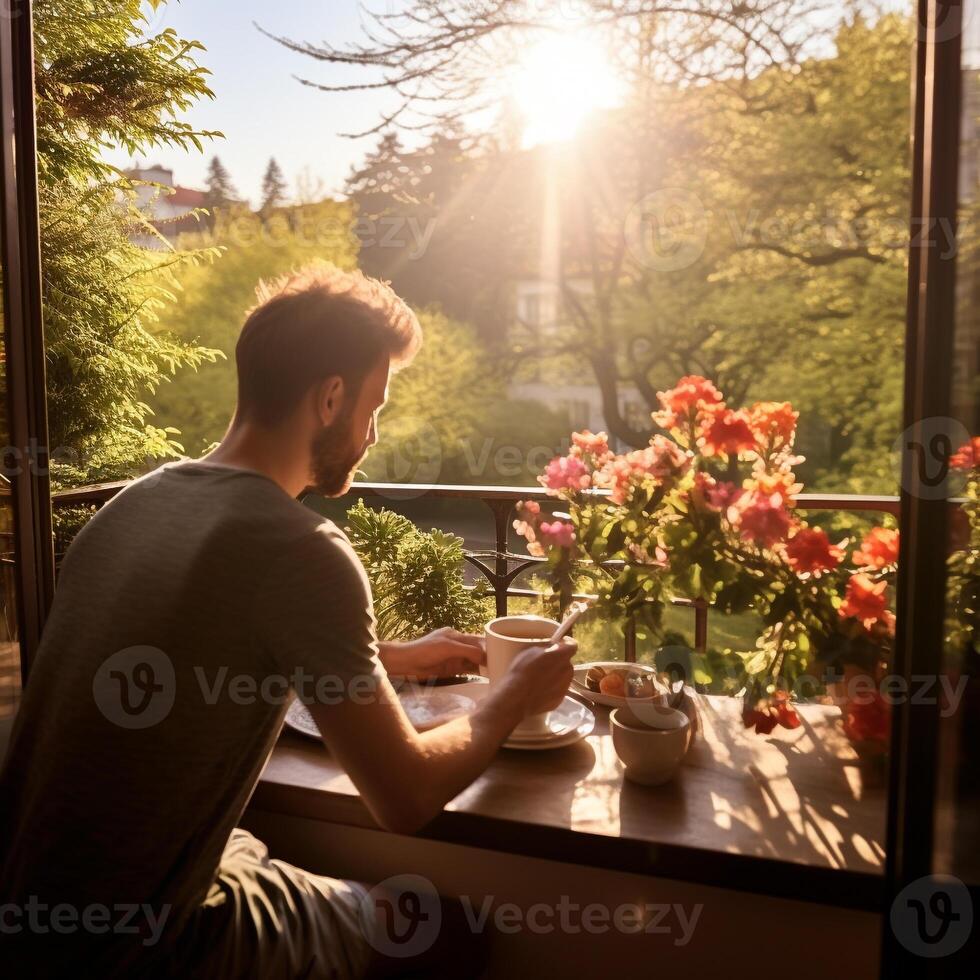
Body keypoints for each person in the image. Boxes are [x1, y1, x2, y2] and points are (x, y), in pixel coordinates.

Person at [0, 264, 576, 977]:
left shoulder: (133, 507)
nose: (372, 434)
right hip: (149, 949)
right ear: (331, 398)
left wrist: (388, 658)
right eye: (375, 407)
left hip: (26, 919)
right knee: (443, 933)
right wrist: (515, 693)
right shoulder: (301, 549)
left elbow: (209, 646)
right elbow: (404, 796)